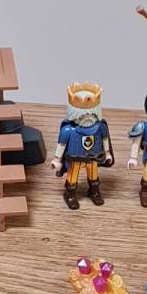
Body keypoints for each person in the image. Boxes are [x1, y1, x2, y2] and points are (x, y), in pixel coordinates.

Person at [50, 82, 114, 210]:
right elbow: (61, 145)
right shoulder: (68, 130)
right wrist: (57, 159)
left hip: (94, 156)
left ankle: (94, 192)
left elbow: (105, 139)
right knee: (72, 176)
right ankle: (70, 194)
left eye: (91, 114)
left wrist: (107, 153)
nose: (87, 118)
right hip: (75, 158)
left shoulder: (100, 128)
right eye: (83, 115)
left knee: (93, 175)